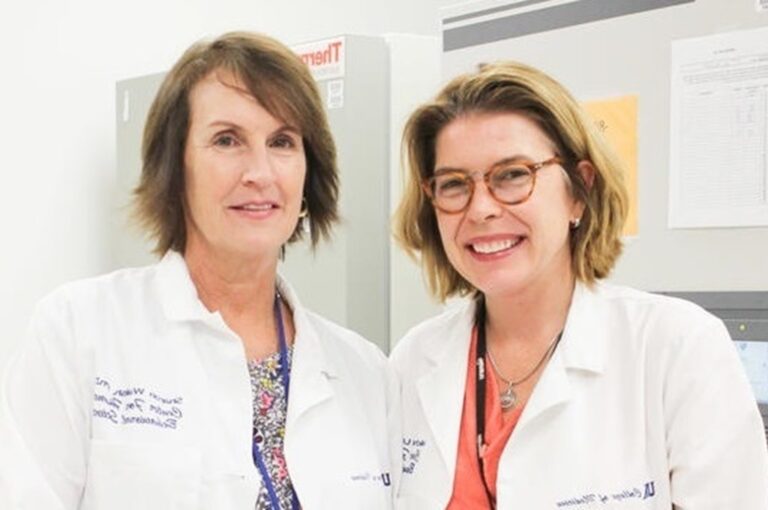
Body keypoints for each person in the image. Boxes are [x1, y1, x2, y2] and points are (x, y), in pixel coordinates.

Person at [0, 31, 397, 510]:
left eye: (283, 141)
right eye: (227, 140)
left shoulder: (365, 372)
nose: (260, 172)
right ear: (175, 169)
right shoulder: (78, 331)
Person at [390, 61, 768, 509]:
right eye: (454, 184)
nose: (481, 209)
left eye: (512, 175)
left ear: (578, 190)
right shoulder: (414, 361)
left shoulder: (675, 346)